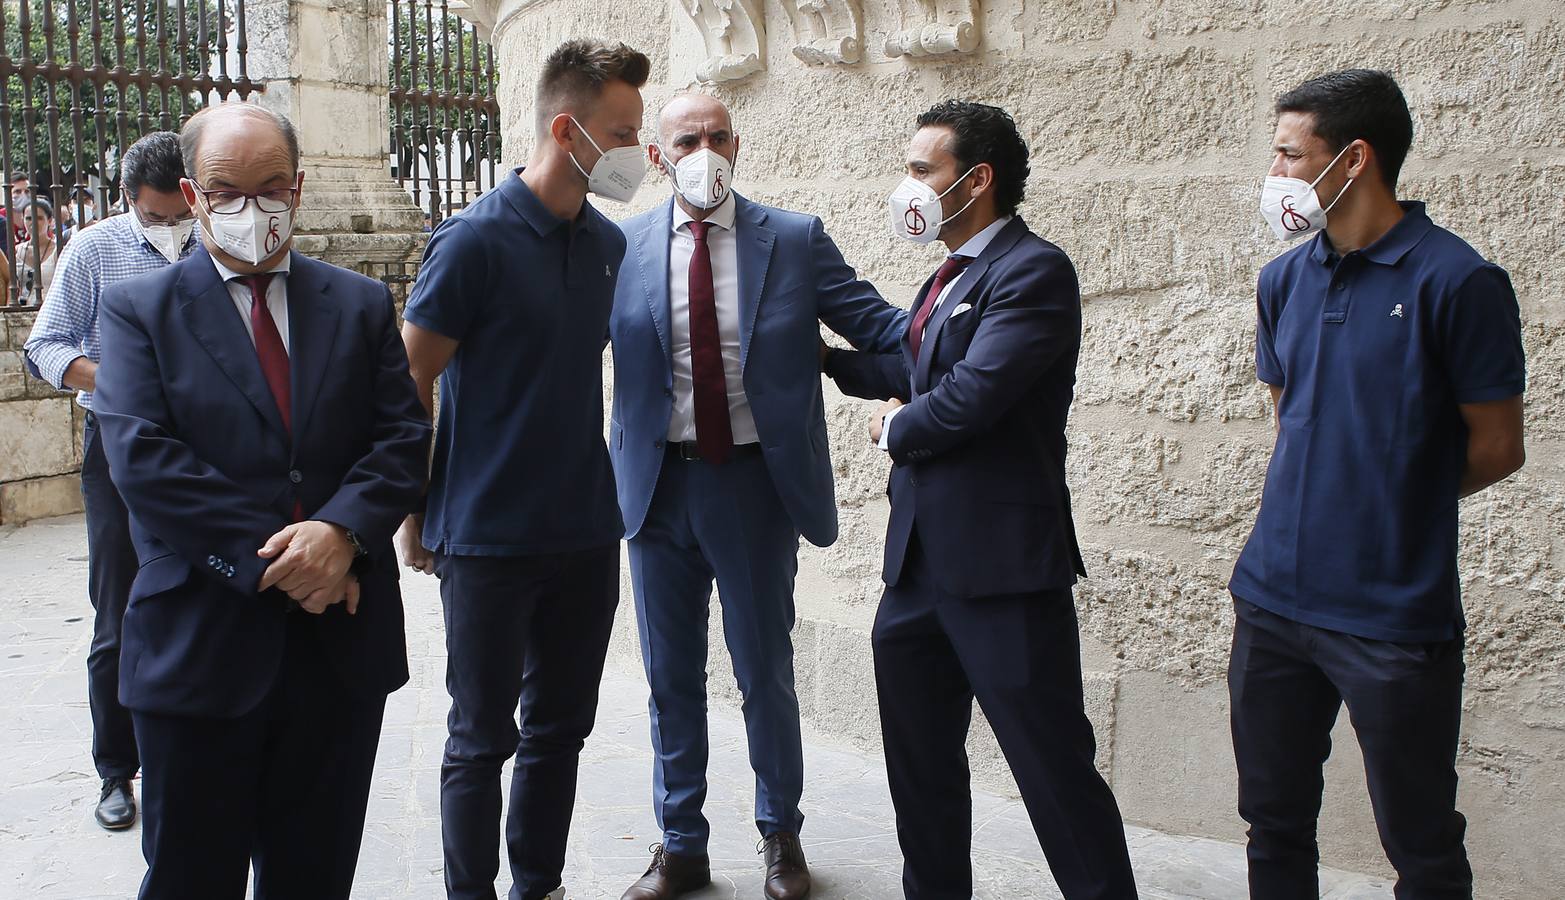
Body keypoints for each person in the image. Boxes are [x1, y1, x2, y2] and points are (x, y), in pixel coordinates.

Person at [90, 102, 430, 900]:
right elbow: (144, 462)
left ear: (299, 187)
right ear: (193, 193)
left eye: (271, 187)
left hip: (339, 651)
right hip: (199, 645)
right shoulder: (140, 310)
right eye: (227, 191)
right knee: (189, 877)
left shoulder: (356, 303)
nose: (253, 209)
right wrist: (290, 559)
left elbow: (402, 436)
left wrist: (342, 533)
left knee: (314, 876)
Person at [821, 100, 1140, 899]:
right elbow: (912, 365)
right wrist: (819, 359)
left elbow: (968, 397)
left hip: (1002, 575)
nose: (908, 186)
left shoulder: (1033, 271)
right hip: (918, 571)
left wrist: (891, 432)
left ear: (977, 179)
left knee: (1052, 771)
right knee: (920, 770)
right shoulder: (948, 274)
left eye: (921, 170)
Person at [1230, 69, 1526, 899]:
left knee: (1421, 844)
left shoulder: (1457, 281)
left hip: (1392, 621)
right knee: (1273, 824)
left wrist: (1390, 502)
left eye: (1290, 155)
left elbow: (1498, 447)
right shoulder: (1282, 279)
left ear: (1353, 159)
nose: (1276, 173)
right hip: (1271, 605)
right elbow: (1294, 418)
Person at [609, 93, 905, 900]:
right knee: (669, 678)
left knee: (763, 670)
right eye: (685, 140)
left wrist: (962, 334)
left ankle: (781, 837)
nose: (703, 151)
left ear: (734, 144)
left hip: (752, 485)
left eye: (716, 136)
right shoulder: (622, 245)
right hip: (655, 489)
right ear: (660, 156)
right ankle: (680, 844)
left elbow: (874, 324)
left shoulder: (795, 239)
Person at [395, 38, 649, 900]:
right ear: (567, 128)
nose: (635, 154)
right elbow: (410, 379)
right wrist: (411, 511)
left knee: (559, 733)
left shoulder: (609, 244)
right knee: (479, 738)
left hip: (584, 532)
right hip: (486, 537)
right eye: (623, 133)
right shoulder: (471, 241)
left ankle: (537, 884)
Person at [21, 131, 198, 832]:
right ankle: (115, 771)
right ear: (129, 202)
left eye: (178, 214)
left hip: (205, 445)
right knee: (119, 607)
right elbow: (46, 345)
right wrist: (119, 376)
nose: (168, 230)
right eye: (154, 218)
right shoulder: (95, 250)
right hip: (118, 443)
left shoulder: (214, 241)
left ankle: (192, 754)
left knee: (206, 596)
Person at [15, 198, 59, 303]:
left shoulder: (58, 250)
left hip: (50, 309)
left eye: (39, 218)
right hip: (21, 313)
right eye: (29, 218)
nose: (33, 222)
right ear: (23, 220)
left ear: (49, 220)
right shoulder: (17, 250)